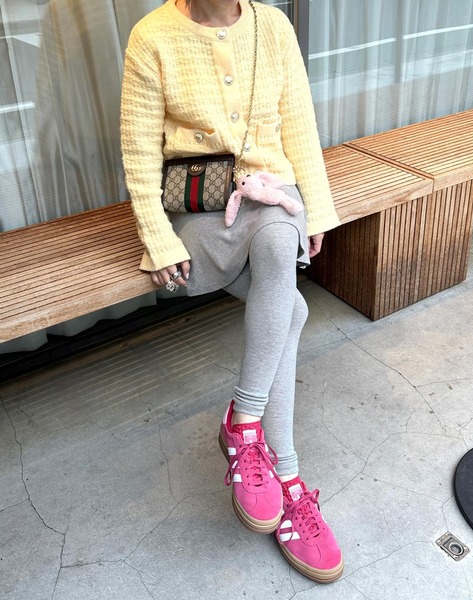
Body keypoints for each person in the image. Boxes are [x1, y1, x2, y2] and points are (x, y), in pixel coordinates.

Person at [121, 0, 343, 583]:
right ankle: (285, 480)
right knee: (290, 310)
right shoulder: (152, 37)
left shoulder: (274, 26)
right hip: (201, 210)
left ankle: (251, 432)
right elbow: (139, 153)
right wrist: (157, 238)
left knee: (278, 242)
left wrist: (318, 209)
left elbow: (299, 123)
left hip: (274, 196)